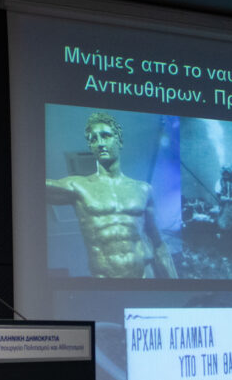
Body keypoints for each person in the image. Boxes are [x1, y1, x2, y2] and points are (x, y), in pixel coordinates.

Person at [46, 111, 178, 278]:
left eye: (106, 136)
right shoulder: (79, 186)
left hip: (145, 277)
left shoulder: (143, 189)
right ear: (91, 147)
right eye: (94, 139)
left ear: (119, 141)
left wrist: (173, 284)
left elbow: (158, 245)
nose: (100, 143)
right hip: (107, 283)